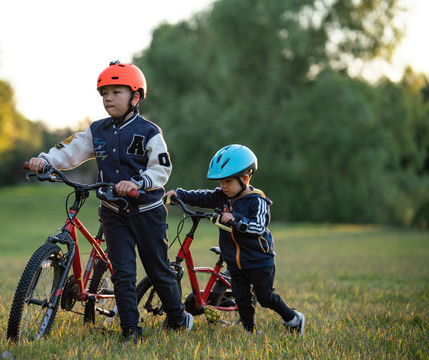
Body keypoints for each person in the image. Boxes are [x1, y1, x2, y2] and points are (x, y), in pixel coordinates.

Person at [27, 61, 192, 343]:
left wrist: (139, 182)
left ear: (135, 97)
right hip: (113, 212)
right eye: (104, 93)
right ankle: (131, 330)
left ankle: (178, 318)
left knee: (158, 270)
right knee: (123, 274)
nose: (108, 98)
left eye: (116, 91)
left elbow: (161, 169)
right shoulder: (97, 131)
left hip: (147, 212)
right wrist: (44, 161)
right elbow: (69, 149)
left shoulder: (149, 131)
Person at [166, 144, 305, 335]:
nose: (223, 186)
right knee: (242, 299)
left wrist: (236, 219)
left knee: (265, 297)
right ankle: (250, 331)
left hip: (259, 260)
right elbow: (202, 197)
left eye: (228, 181)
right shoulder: (223, 196)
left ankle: (294, 319)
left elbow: (258, 227)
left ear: (245, 179)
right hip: (235, 261)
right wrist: (179, 195)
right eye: (221, 181)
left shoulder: (258, 200)